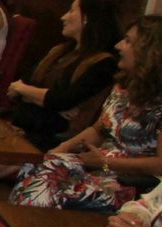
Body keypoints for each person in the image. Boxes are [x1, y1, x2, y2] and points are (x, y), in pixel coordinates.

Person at [10, 17, 162, 211]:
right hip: (96, 164)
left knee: (50, 190)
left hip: (128, 179)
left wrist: (107, 163)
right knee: (37, 166)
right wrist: (62, 148)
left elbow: (160, 164)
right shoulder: (123, 87)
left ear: (149, 53)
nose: (118, 45)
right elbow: (99, 129)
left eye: (128, 41)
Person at [7, 0, 121, 150]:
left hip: (50, 137)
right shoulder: (59, 51)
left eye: (71, 11)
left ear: (86, 18)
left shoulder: (103, 63)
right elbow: (20, 86)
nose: (63, 17)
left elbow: (62, 100)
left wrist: (26, 91)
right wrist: (37, 96)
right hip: (24, 122)